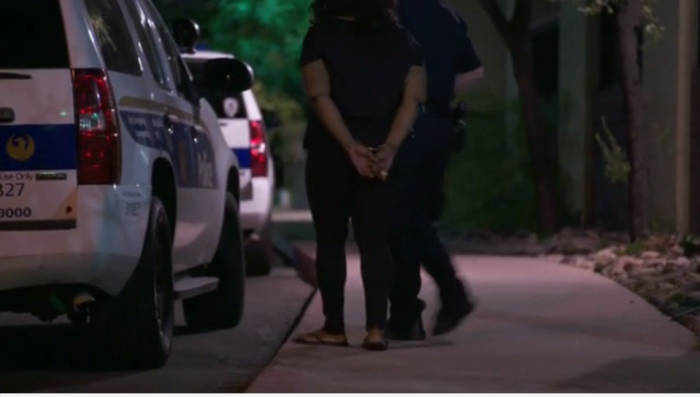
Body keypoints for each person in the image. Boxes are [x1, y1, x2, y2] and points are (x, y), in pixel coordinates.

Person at [291, 0, 426, 351]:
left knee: (330, 240)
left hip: (329, 152)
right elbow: (413, 99)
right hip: (381, 151)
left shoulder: (319, 37)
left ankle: (334, 327)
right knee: (374, 240)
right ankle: (376, 329)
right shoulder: (402, 39)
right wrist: (390, 147)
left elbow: (319, 96)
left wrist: (350, 146)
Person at [386, 0, 485, 340]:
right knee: (416, 219)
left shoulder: (389, 12)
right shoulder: (447, 15)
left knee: (400, 219)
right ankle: (408, 314)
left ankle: (440, 297)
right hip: (439, 128)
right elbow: (475, 72)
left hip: (402, 125)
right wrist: (439, 89)